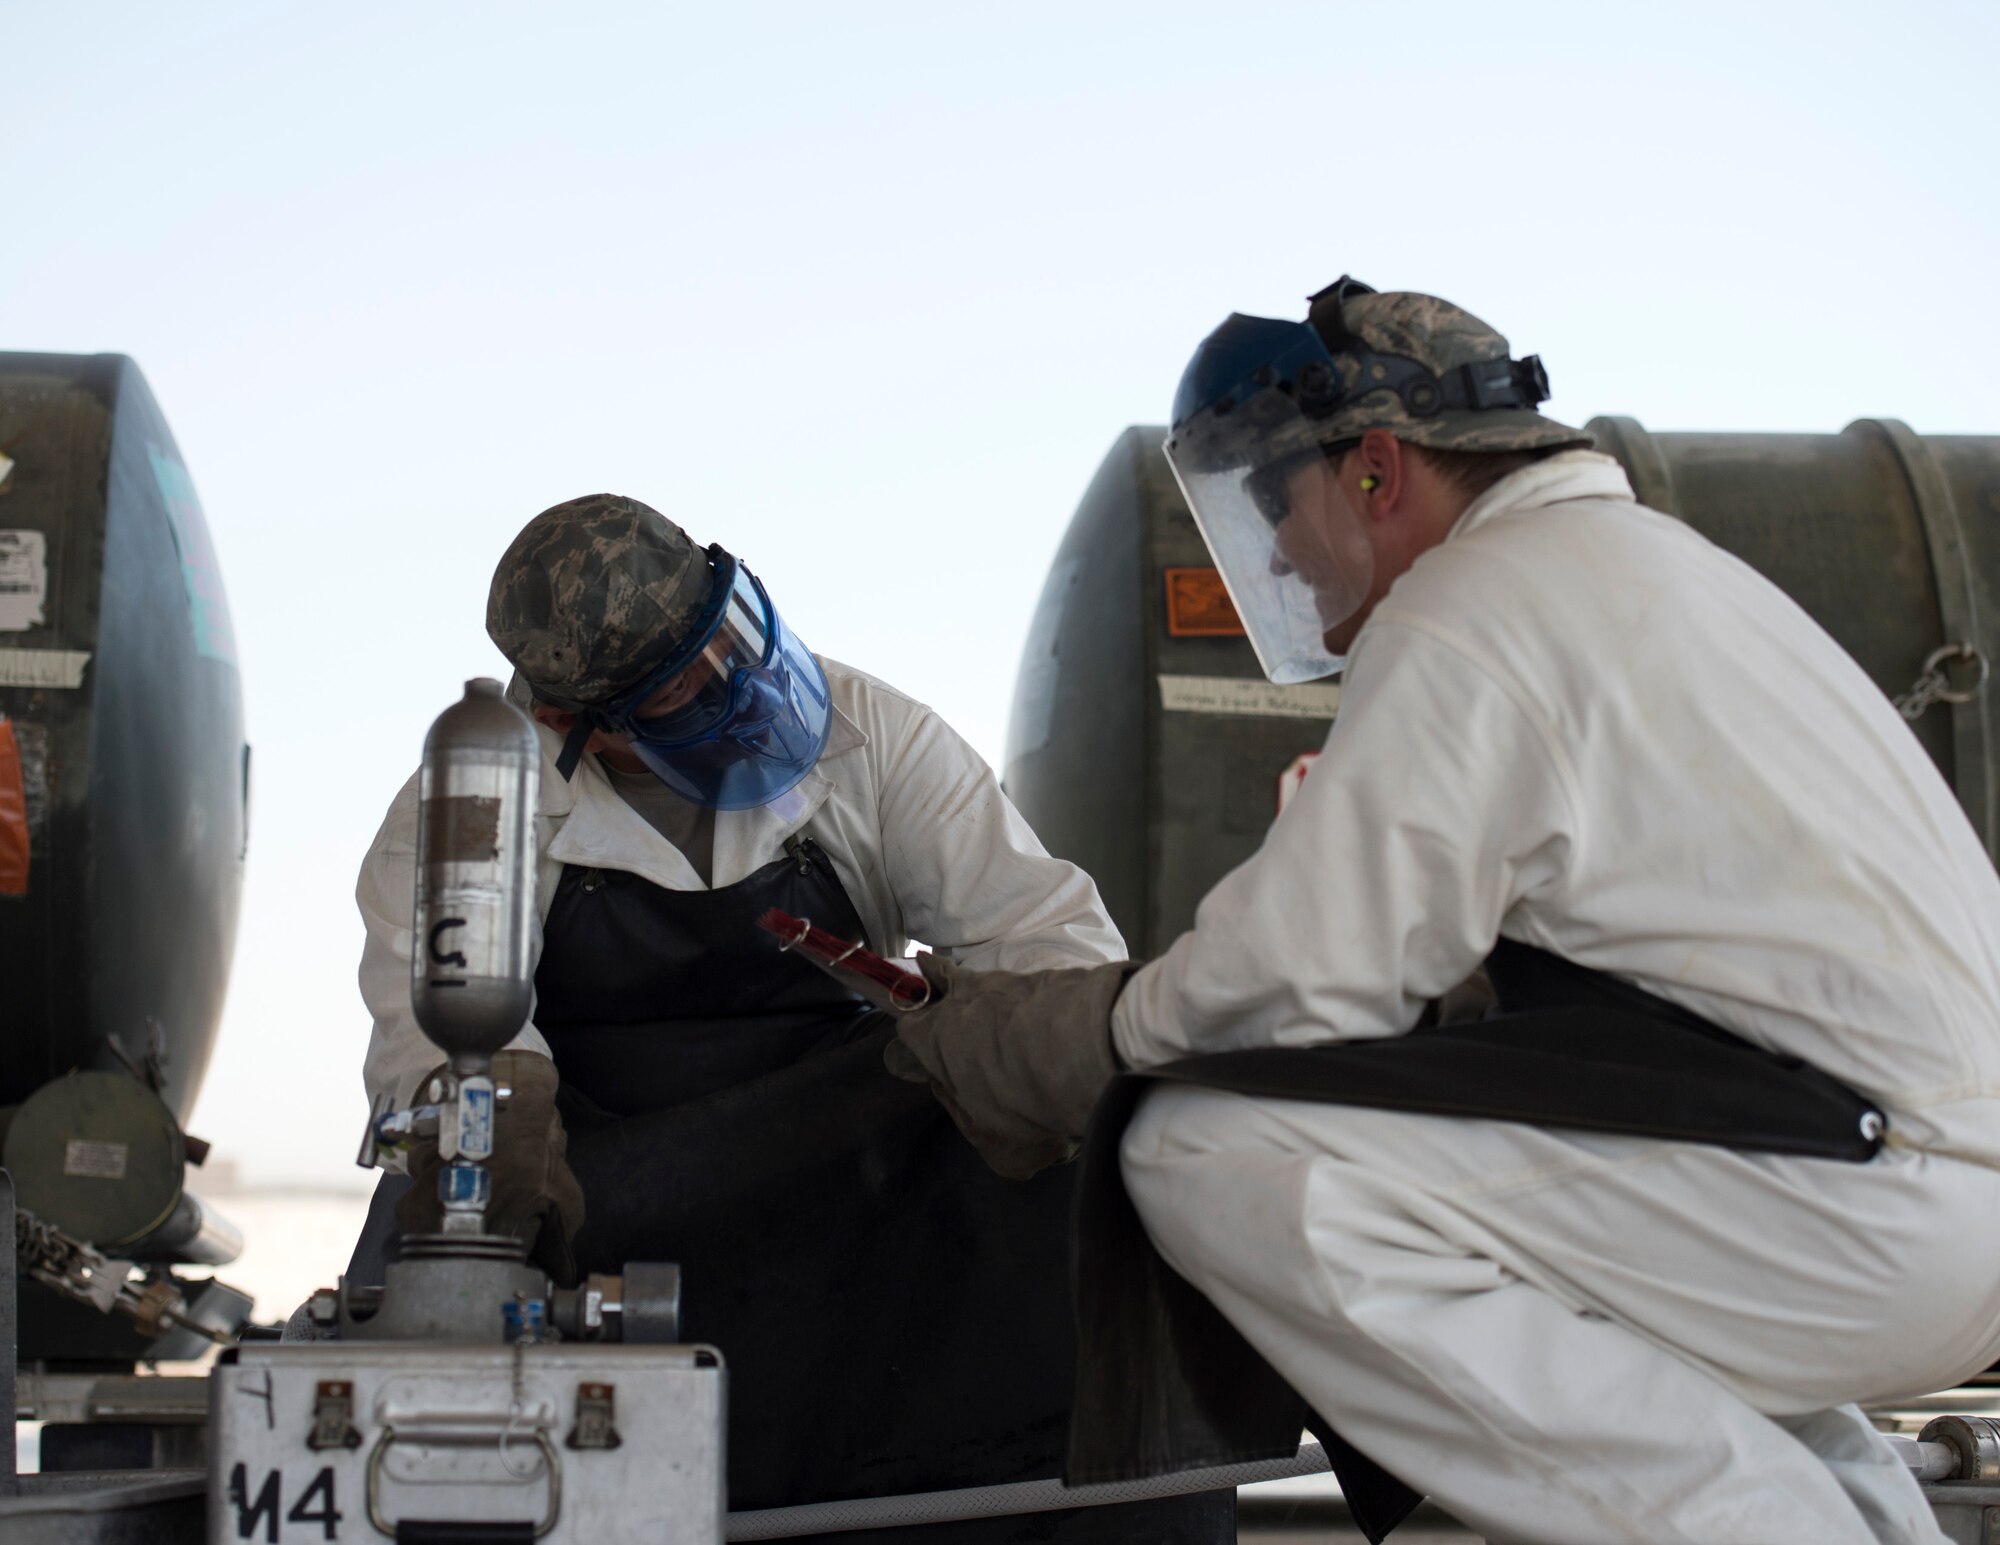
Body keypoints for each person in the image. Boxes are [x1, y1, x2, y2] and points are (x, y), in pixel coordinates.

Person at [887, 279, 2000, 1545]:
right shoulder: (1663, 577)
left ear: (1373, 470)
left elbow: (1296, 986)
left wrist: (1063, 1042)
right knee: (1590, 1308)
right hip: (1906, 1186)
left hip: (1856, 1188)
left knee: (1207, 1148)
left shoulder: (1476, 606)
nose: (1282, 556)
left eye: (1274, 501)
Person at [353, 493, 1232, 1542]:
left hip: (845, 1157)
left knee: (1072, 1207)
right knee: (431, 1275)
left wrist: (1031, 1045)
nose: (743, 703)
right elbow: (446, 1060)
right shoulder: (459, 814)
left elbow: (1043, 942)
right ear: (563, 723)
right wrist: (501, 1197)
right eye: (684, 702)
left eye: (733, 649)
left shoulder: (872, 736)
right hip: (602, 1184)